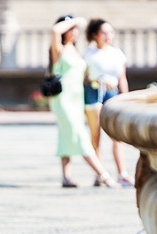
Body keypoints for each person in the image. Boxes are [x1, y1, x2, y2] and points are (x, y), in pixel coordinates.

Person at [48, 15, 118, 188]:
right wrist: (75, 20)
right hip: (62, 99)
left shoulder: (76, 50)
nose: (74, 32)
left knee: (66, 135)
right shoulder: (59, 49)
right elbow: (54, 30)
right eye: (71, 29)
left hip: (77, 98)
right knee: (80, 135)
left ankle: (66, 177)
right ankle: (103, 175)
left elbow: (85, 76)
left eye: (76, 29)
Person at [83, 18, 134, 188]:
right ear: (95, 35)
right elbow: (83, 78)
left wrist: (125, 99)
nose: (108, 36)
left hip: (112, 93)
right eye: (104, 33)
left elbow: (122, 78)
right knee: (95, 135)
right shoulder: (88, 54)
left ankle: (122, 173)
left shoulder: (117, 53)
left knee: (116, 136)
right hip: (94, 92)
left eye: (110, 32)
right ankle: (100, 173)